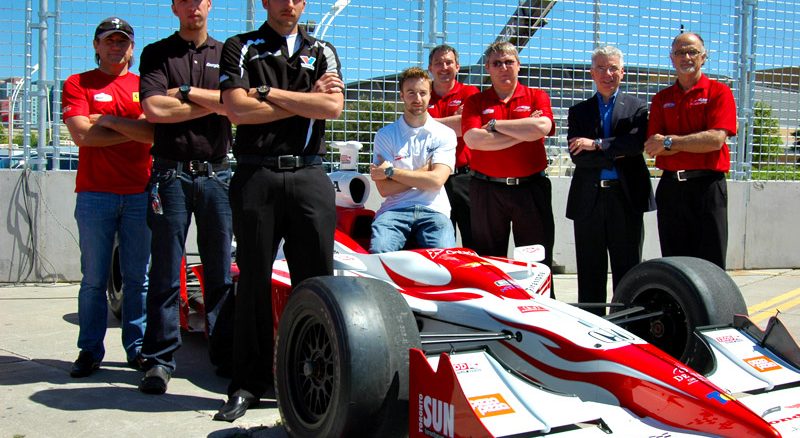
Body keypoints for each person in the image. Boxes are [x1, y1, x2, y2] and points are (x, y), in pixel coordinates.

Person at [216, 0, 344, 422]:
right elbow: (237, 109)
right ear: (265, 2)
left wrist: (267, 93)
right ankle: (247, 384)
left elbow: (332, 107)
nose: (288, 4)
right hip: (257, 175)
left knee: (317, 283)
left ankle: (316, 378)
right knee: (253, 280)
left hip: (309, 174)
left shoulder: (322, 49)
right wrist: (306, 99)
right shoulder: (240, 46)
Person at [136, 0, 235, 395]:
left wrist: (186, 94)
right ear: (175, 7)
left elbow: (235, 107)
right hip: (169, 175)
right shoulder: (156, 53)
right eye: (185, 0)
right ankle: (159, 360)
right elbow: (154, 109)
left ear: (209, 5)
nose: (193, 6)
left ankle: (225, 356)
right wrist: (213, 102)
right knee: (165, 269)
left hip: (217, 175)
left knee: (220, 272)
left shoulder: (227, 52)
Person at [61, 17, 153, 377]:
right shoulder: (77, 83)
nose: (116, 47)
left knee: (137, 279)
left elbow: (153, 133)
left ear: (132, 48)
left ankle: (137, 349)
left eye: (122, 41)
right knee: (94, 280)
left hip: (140, 193)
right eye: (109, 41)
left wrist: (109, 121)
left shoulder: (144, 84)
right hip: (94, 195)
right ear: (96, 46)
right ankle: (89, 350)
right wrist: (133, 129)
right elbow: (82, 136)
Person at [566, 46, 655, 315]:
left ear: (622, 72)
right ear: (592, 73)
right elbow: (579, 157)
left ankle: (627, 321)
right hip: (589, 200)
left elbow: (635, 145)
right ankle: (591, 323)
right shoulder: (579, 111)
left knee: (627, 269)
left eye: (613, 68)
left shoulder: (637, 107)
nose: (608, 74)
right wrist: (615, 152)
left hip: (625, 198)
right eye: (602, 68)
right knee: (589, 269)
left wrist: (597, 144)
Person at [644, 32, 736, 269]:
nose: (686, 57)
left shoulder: (719, 92)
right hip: (671, 189)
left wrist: (669, 142)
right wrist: (691, 142)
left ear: (703, 57)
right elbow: (653, 146)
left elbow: (715, 140)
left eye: (692, 52)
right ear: (671, 58)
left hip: (707, 187)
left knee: (711, 264)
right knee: (676, 265)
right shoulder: (661, 99)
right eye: (680, 52)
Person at [462, 41, 556, 271]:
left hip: (530, 188)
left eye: (509, 62)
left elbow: (542, 127)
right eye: (496, 63)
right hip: (487, 190)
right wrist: (524, 132)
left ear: (519, 65)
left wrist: (494, 125)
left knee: (536, 261)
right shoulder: (475, 102)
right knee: (488, 262)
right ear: (487, 67)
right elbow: (473, 140)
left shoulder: (536, 96)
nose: (503, 67)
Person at [368, 67, 457, 253]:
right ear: (402, 96)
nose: (417, 98)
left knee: (444, 258)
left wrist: (391, 172)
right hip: (394, 210)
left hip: (434, 210)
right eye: (411, 93)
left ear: (430, 95)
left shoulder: (445, 134)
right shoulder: (385, 135)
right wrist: (424, 173)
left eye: (422, 93)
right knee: (379, 252)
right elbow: (385, 189)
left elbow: (436, 181)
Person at [427, 45, 479, 248]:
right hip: (433, 180)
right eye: (438, 63)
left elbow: (465, 127)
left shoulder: (470, 93)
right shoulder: (422, 94)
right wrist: (455, 121)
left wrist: (427, 123)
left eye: (449, 62)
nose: (444, 67)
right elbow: (413, 130)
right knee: (438, 243)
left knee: (474, 243)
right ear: (430, 68)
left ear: (457, 66)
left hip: (466, 178)